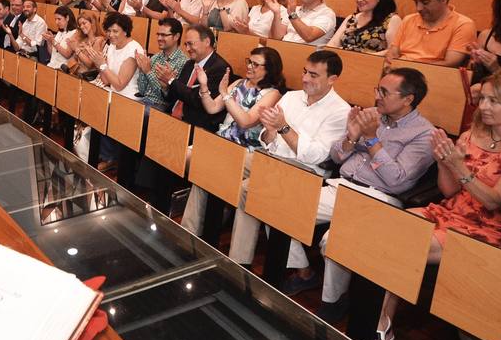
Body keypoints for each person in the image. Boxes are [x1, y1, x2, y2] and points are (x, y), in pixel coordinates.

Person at [375, 70, 501, 340]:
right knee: (390, 229)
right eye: (483, 99)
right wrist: (443, 161)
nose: (483, 106)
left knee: (407, 243)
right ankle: (380, 318)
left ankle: (381, 324)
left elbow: (494, 201)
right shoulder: (472, 135)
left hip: (490, 229)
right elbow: (449, 191)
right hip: (451, 212)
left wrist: (458, 166)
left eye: (494, 101)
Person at [311, 69, 437, 309]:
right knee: (289, 203)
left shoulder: (424, 134)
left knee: (333, 240)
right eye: (377, 89)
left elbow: (397, 180)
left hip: (378, 198)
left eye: (384, 92)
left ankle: (333, 302)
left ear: (408, 99)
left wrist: (371, 139)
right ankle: (302, 270)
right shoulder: (371, 115)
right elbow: (336, 158)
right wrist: (351, 136)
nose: (377, 96)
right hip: (342, 186)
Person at [224, 50, 351, 267]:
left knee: (250, 188)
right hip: (271, 158)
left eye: (313, 75)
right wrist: (270, 132)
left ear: (332, 79)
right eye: (304, 71)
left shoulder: (340, 111)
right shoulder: (292, 97)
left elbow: (316, 155)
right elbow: (266, 137)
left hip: (305, 170)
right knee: (222, 159)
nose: (305, 78)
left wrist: (282, 127)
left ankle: (239, 260)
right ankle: (195, 230)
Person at [180, 47, 287, 245]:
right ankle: (193, 228)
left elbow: (246, 121)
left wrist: (225, 94)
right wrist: (204, 86)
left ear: (269, 69)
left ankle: (195, 228)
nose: (250, 66)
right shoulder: (238, 83)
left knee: (204, 167)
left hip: (246, 148)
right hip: (223, 141)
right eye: (249, 61)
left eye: (256, 64)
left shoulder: (272, 94)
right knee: (186, 157)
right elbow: (212, 108)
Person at [147, 24, 232, 214]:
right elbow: (174, 95)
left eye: (191, 44)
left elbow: (198, 101)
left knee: (167, 148)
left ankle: (162, 208)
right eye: (185, 44)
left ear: (207, 42)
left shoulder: (220, 68)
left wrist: (172, 82)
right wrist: (167, 86)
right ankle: (153, 203)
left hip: (199, 125)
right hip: (176, 118)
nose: (187, 48)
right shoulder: (189, 64)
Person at [387, 0, 475, 67]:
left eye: (425, 2)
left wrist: (407, 67)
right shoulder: (408, 20)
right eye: (416, 2)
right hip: (400, 69)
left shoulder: (463, 24)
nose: (418, 8)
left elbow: (450, 64)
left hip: (432, 74)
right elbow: (393, 53)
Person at [327, 0, 400, 53]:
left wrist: (364, 57)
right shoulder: (351, 18)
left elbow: (392, 51)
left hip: (371, 60)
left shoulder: (392, 19)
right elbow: (333, 44)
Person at [273, 0, 338, 46]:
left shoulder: (327, 13)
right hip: (283, 47)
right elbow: (277, 37)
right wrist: (276, 13)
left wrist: (292, 14)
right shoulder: (295, 9)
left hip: (306, 52)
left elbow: (309, 36)